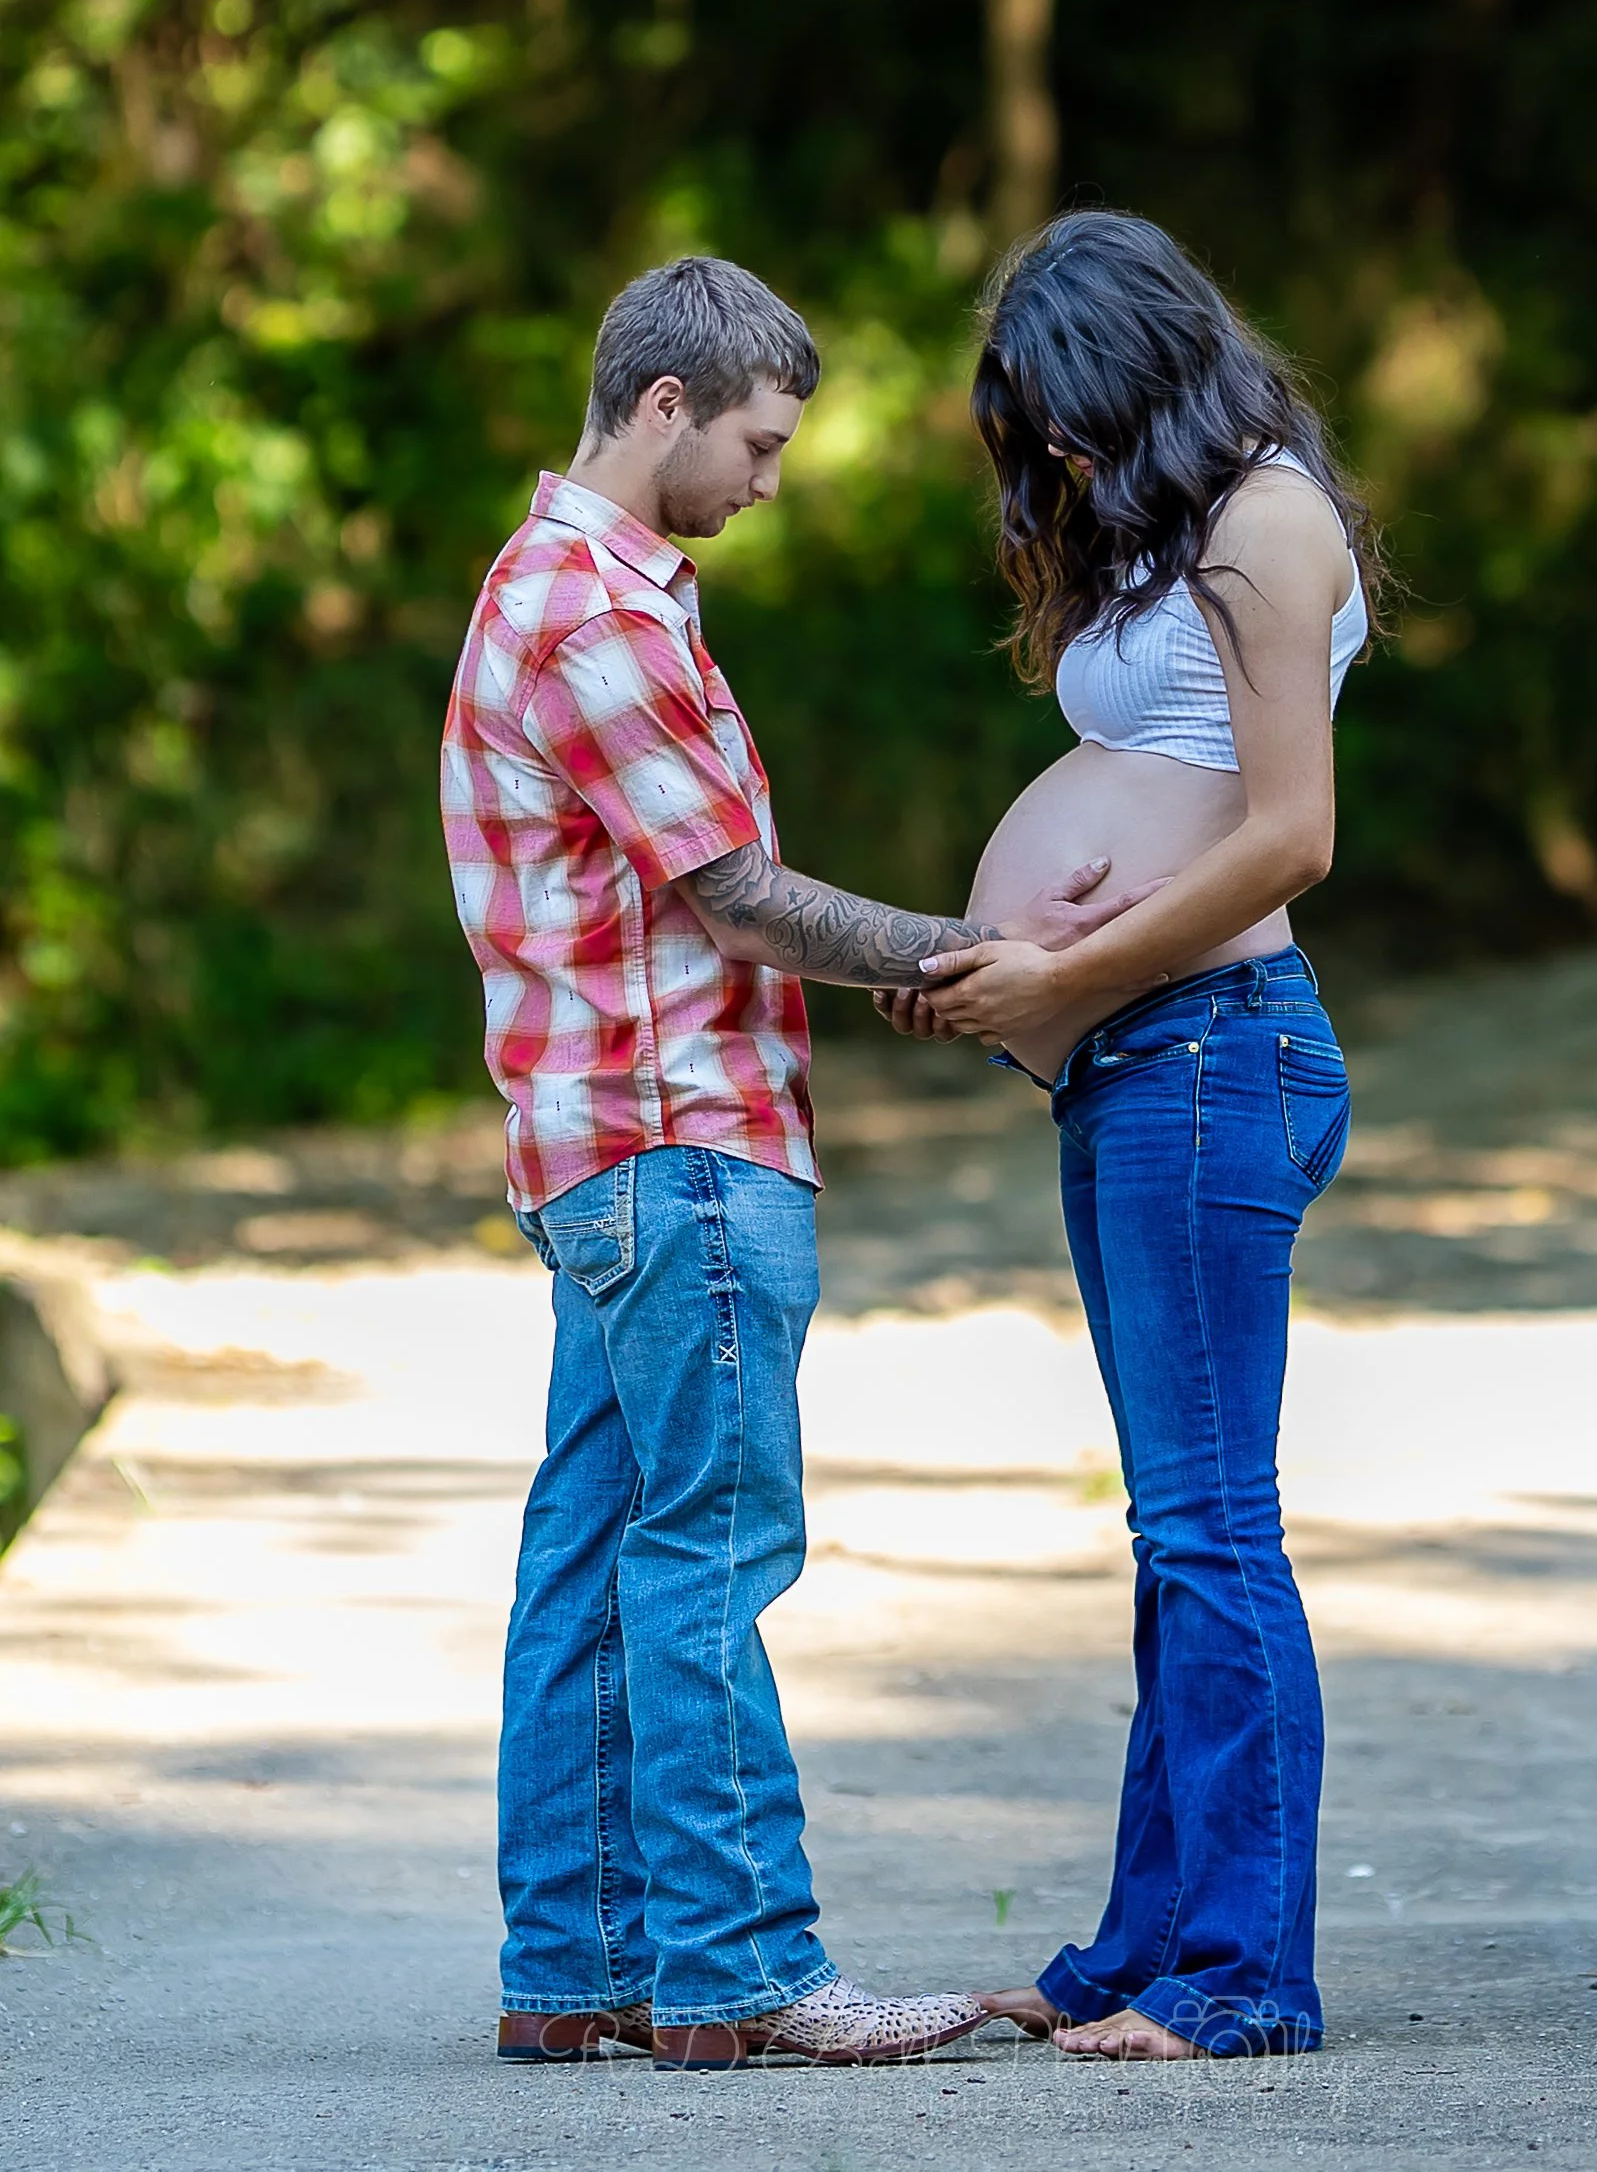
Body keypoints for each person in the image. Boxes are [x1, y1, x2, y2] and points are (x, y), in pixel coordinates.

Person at [440, 256, 1149, 2071]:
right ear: (664, 406)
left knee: (592, 1551)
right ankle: (747, 1964)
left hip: (604, 1153)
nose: (770, 480)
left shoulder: (564, 594)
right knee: (711, 1553)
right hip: (683, 1151)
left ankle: (584, 1961)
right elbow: (736, 896)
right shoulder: (593, 606)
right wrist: (977, 963)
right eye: (758, 443)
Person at [877, 210, 1377, 2060]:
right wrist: (1020, 980)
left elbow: (1289, 835)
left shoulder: (1268, 518)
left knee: (1210, 1524)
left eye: (1068, 417)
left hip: (1211, 1052)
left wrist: (1061, 976)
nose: (1058, 461)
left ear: (1148, 363)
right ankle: (1148, 1946)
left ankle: (1246, 1980)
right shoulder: (1178, 528)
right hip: (1138, 1058)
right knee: (1177, 1526)